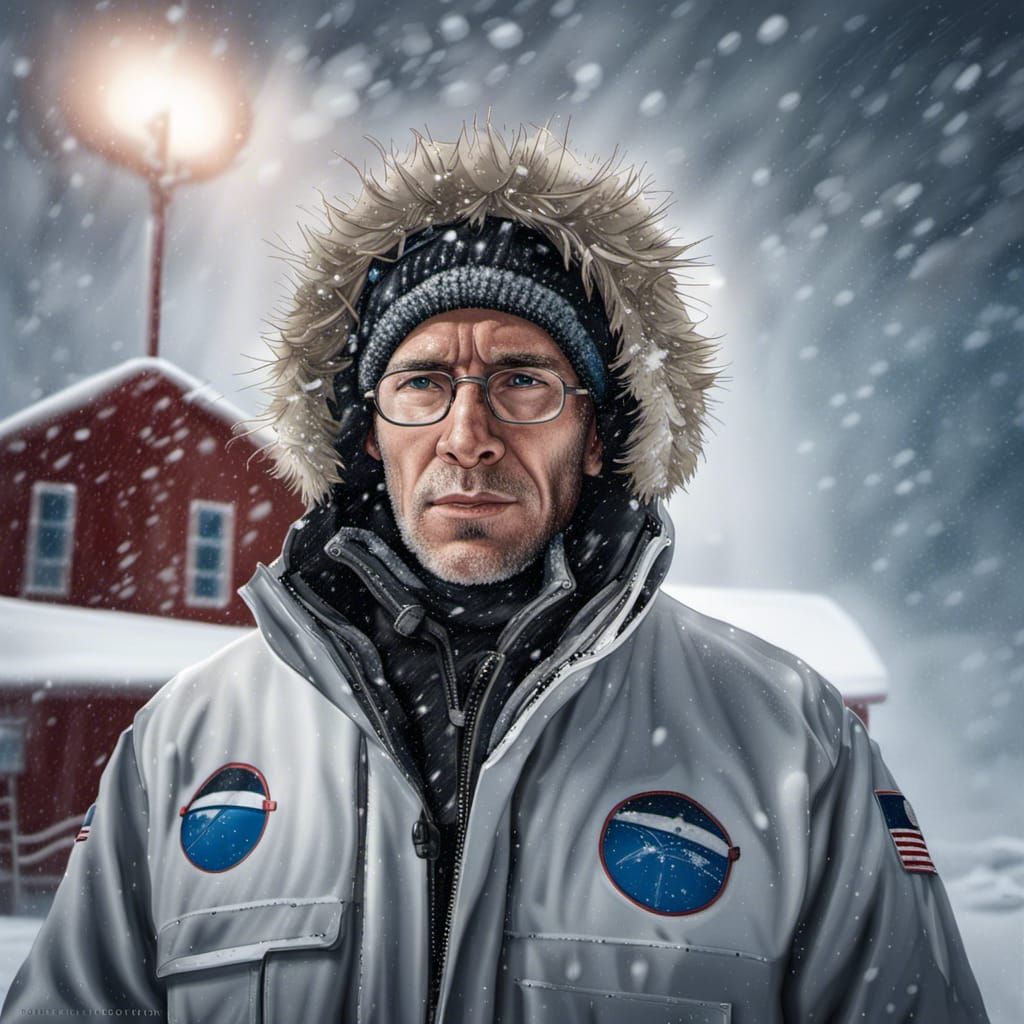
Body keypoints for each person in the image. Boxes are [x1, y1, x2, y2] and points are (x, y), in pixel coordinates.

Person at [1, 122, 988, 1023]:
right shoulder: (190, 737)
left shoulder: (787, 737)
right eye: (423, 383)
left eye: (521, 380)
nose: (466, 438)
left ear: (599, 433)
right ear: (367, 437)